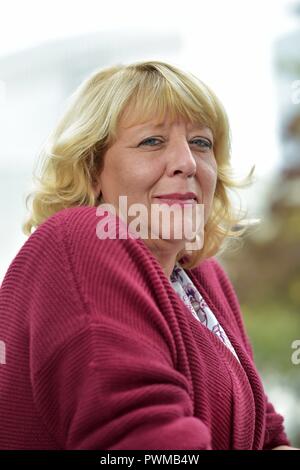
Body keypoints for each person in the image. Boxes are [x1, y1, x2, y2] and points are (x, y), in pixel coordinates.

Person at [0, 60, 297, 450]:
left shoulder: (202, 277)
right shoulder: (82, 238)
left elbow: (268, 437)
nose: (187, 162)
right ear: (92, 171)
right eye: (152, 141)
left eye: (200, 142)